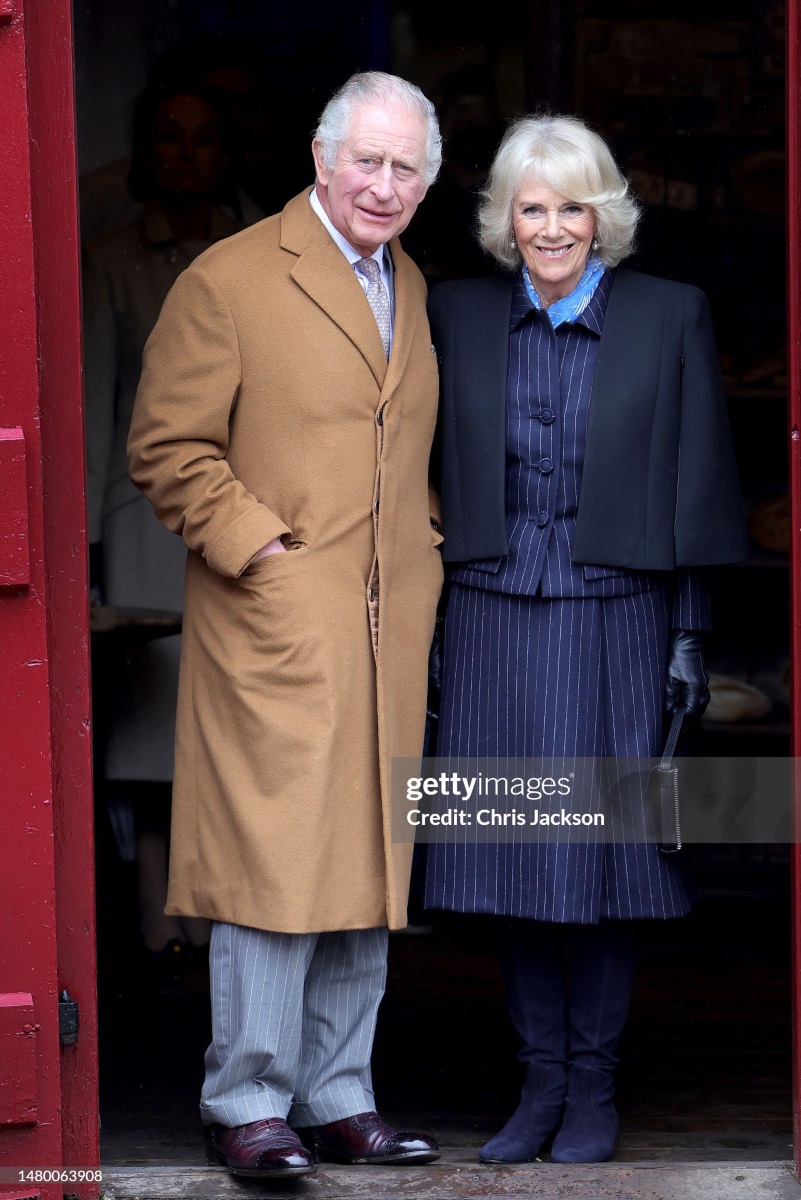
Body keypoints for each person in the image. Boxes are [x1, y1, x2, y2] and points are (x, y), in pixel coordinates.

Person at [127, 72, 445, 1179]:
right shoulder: (230, 278)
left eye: (407, 168)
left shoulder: (404, 278)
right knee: (270, 862)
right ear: (321, 158)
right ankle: (246, 1099)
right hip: (274, 621)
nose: (385, 184)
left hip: (384, 626)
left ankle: (338, 1092)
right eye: (368, 160)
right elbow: (167, 448)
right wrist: (260, 550)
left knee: (364, 855)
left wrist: (427, 545)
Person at [423, 115, 748, 1165]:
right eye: (532, 207)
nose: (552, 227)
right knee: (511, 854)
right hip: (484, 610)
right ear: (502, 220)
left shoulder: (668, 315)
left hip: (617, 613)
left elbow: (695, 483)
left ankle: (595, 1090)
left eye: (572, 207)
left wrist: (689, 636)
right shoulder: (451, 315)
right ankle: (538, 1086)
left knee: (603, 861)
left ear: (604, 217)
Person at [84, 79, 244, 967]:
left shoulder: (261, 251)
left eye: (205, 137)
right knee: (152, 733)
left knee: (227, 725)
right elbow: (93, 408)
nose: (187, 153)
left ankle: (219, 917)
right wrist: (84, 549)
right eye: (170, 138)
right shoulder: (108, 260)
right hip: (143, 518)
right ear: (146, 153)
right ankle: (157, 918)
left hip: (243, 513)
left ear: (226, 152)